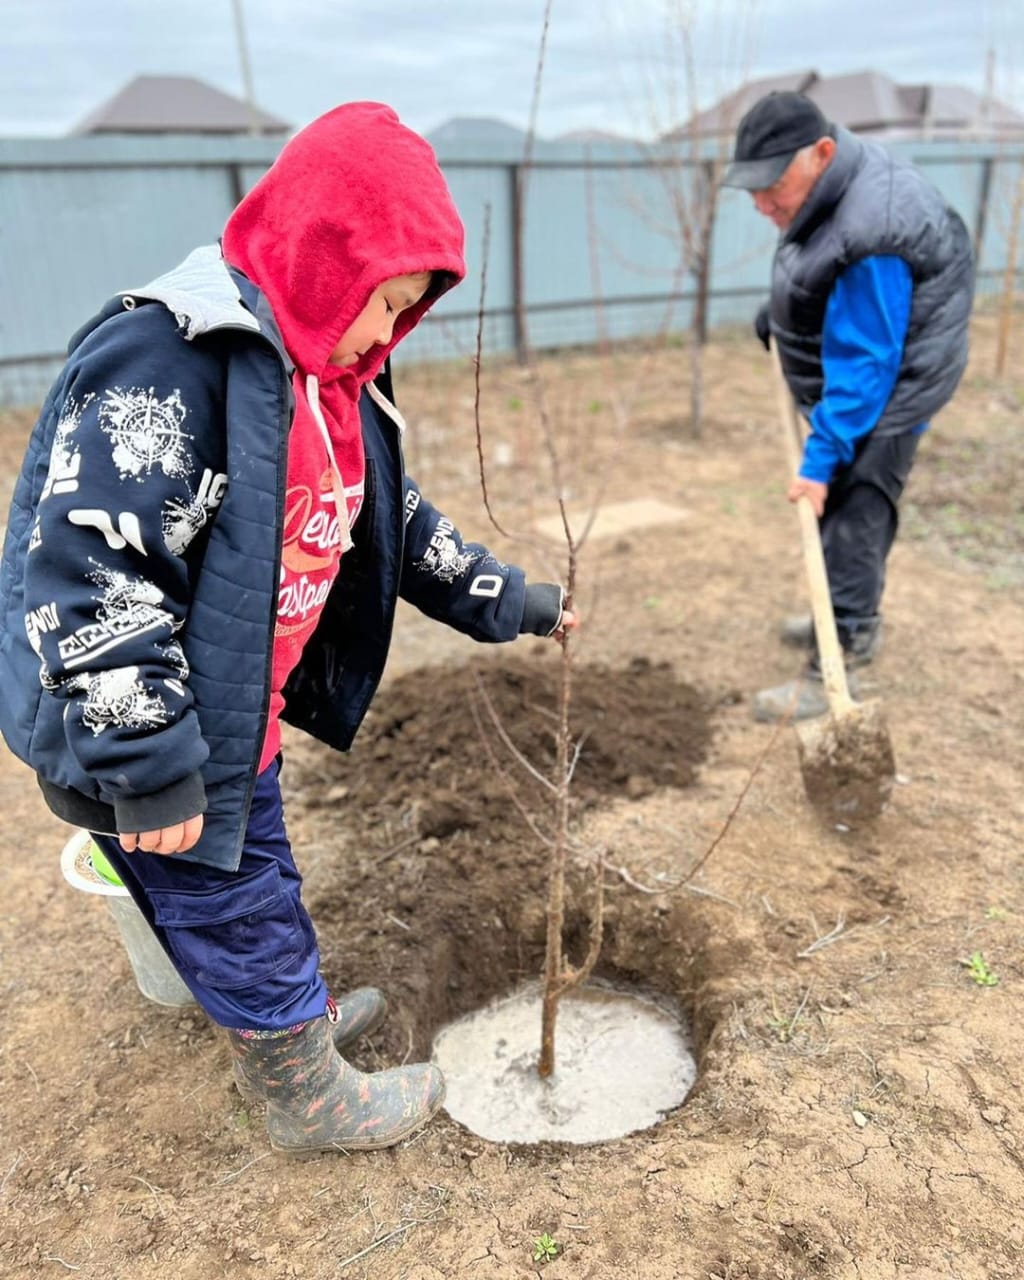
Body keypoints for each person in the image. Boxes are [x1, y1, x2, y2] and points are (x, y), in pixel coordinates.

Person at [0, 102, 577, 1157]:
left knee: (259, 877)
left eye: (405, 312)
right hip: (143, 725)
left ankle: (293, 1025)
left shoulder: (333, 379)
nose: (383, 333)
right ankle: (302, 1093)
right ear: (324, 253)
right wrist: (146, 763)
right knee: (234, 901)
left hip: (229, 711)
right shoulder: (171, 360)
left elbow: (382, 520)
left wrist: (507, 599)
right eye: (379, 302)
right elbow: (92, 566)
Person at [721, 91, 975, 721]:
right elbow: (821, 273)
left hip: (893, 389)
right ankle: (837, 616)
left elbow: (866, 369)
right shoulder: (831, 194)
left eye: (772, 185)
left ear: (822, 154)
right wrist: (781, 315)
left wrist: (818, 459)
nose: (761, 204)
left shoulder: (875, 226)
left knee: (856, 512)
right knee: (839, 507)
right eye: (752, 189)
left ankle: (841, 658)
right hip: (872, 375)